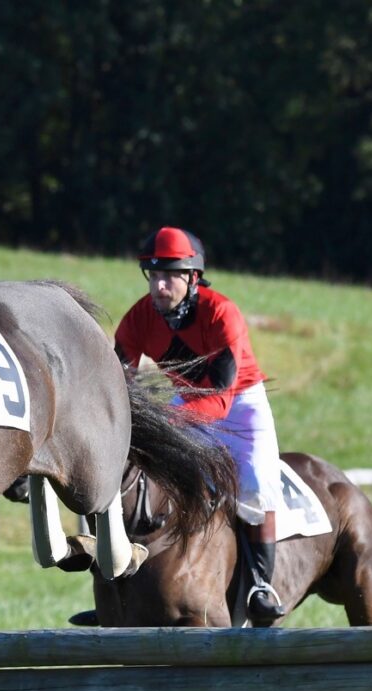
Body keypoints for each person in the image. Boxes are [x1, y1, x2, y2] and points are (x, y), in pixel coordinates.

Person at [114, 226, 286, 622]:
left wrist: (167, 422)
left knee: (255, 484)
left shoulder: (221, 312)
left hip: (241, 401)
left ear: (193, 277)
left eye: (169, 276)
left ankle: (260, 585)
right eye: (154, 275)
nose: (159, 286)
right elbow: (119, 378)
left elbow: (221, 395)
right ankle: (121, 586)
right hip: (185, 401)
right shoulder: (140, 317)